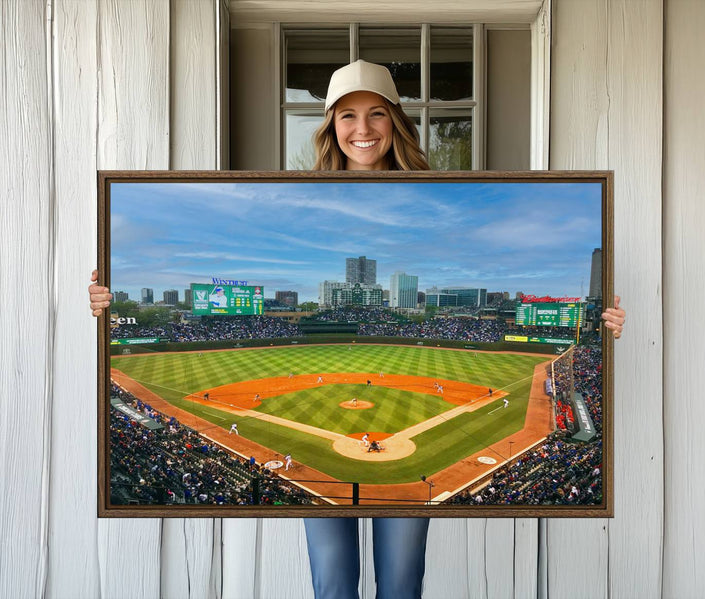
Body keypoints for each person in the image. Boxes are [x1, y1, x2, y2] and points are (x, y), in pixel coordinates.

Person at [88, 59, 626, 599]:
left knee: (401, 582)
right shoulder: (303, 194)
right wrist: (105, 300)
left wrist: (602, 320)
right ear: (330, 126)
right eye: (347, 116)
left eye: (375, 114)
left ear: (395, 121)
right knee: (332, 581)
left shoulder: (436, 194)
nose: (362, 129)